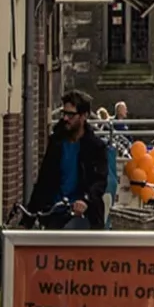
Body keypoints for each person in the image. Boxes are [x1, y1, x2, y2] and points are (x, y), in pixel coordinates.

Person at [27, 90, 111, 230]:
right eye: (64, 114)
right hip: (55, 212)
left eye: (71, 115)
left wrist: (86, 200)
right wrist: (28, 218)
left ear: (84, 116)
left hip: (84, 215)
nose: (66, 118)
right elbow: (44, 180)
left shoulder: (95, 146)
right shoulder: (56, 143)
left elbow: (99, 181)